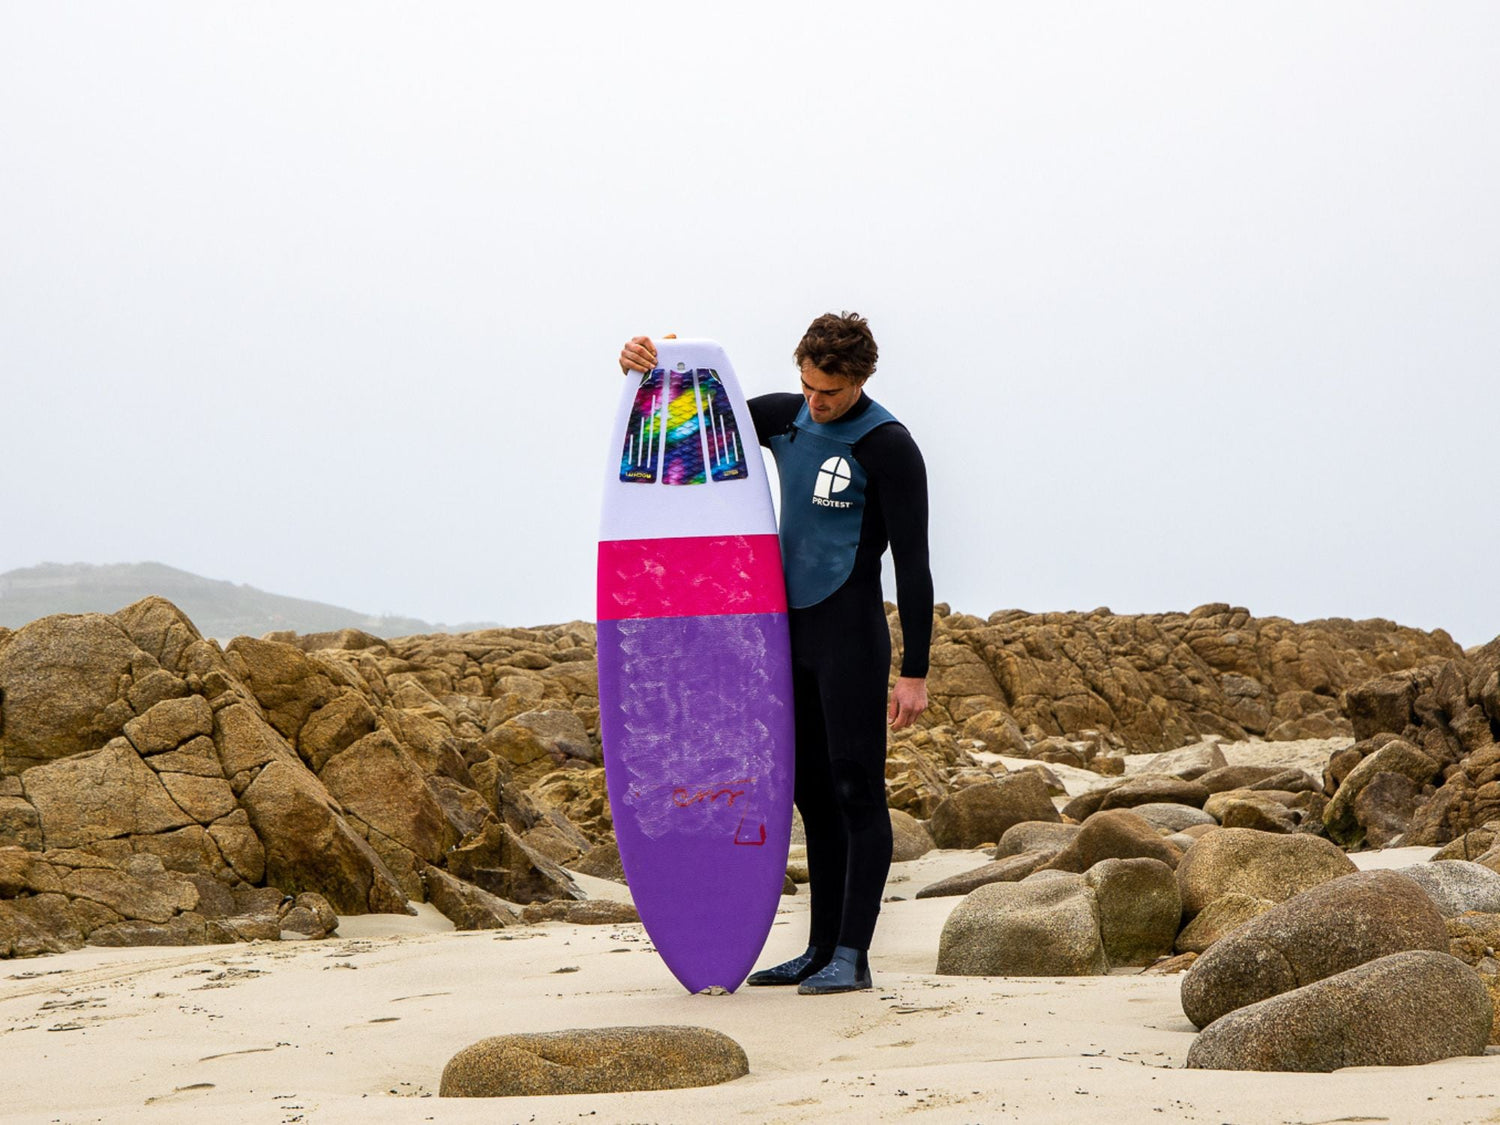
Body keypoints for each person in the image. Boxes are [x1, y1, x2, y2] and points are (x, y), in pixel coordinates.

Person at [617, 312, 932, 994]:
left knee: (856, 791)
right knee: (812, 795)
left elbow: (914, 562)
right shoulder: (789, 419)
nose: (816, 401)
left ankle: (854, 951)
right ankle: (819, 948)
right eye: (808, 386)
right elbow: (692, 415)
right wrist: (650, 362)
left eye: (830, 391)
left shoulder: (889, 446)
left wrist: (915, 669)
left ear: (861, 378)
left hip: (850, 632)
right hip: (789, 637)